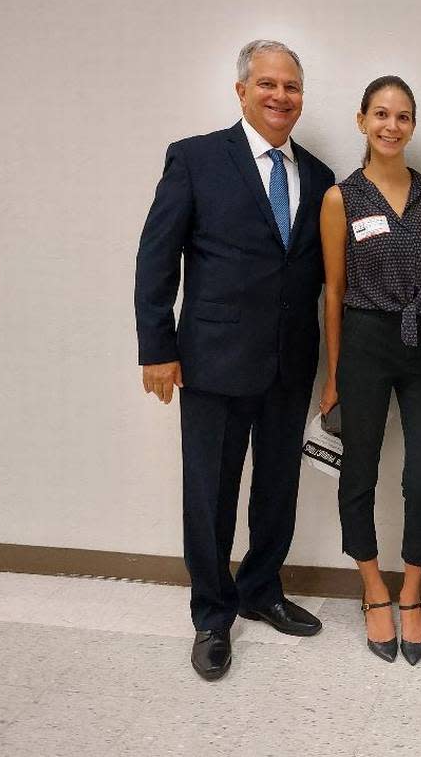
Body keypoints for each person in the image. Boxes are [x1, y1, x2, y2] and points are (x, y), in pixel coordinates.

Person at [134, 40, 334, 680]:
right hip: (211, 361)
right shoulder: (195, 159)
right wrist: (156, 349)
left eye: (293, 88)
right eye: (269, 84)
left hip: (288, 362)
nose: (281, 97)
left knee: (279, 485)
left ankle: (261, 588)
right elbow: (156, 257)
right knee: (211, 492)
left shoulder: (321, 177)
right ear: (242, 90)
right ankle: (212, 614)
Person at [319, 76, 421, 666]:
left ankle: (412, 592)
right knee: (361, 472)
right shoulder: (341, 198)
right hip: (366, 342)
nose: (390, 126)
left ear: (413, 125)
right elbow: (334, 292)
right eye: (380, 114)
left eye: (402, 116)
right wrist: (333, 374)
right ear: (361, 121)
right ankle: (373, 587)